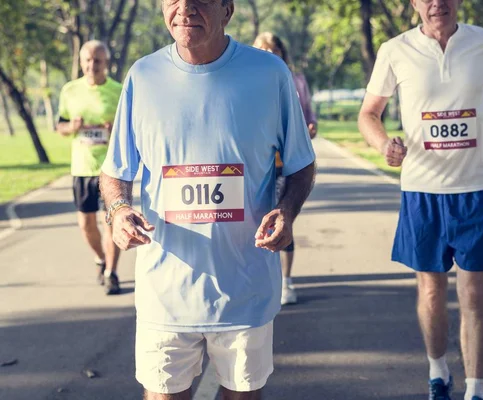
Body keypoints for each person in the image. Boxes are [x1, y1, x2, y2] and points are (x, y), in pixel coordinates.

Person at [99, 0, 316, 399]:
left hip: (245, 290)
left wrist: (287, 211)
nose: (185, 9)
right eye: (173, 0)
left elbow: (301, 164)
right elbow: (115, 170)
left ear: (227, 9)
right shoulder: (143, 76)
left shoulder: (269, 73)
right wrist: (118, 210)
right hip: (165, 291)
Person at [357, 1, 483, 399]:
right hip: (422, 190)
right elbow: (368, 114)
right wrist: (383, 145)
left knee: (473, 292)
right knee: (430, 290)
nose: (436, 4)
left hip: (475, 188)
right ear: (413, 3)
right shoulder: (395, 49)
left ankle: (476, 389)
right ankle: (438, 370)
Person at [253, 32, 318, 305]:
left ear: (282, 53)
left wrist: (310, 127)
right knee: (255, 220)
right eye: (262, 50)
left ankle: (286, 280)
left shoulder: (297, 81)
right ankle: (259, 280)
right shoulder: (248, 81)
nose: (269, 55)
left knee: (282, 217)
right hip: (257, 166)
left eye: (273, 50)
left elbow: (308, 115)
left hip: (287, 164)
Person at [56, 40, 123, 295]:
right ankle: (101, 258)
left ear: (106, 63)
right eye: (87, 60)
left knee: (111, 221)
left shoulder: (118, 90)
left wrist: (113, 128)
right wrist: (72, 127)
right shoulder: (70, 91)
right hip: (82, 168)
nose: (91, 65)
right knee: (86, 224)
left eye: (97, 61)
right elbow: (60, 126)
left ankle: (112, 273)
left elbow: (129, 128)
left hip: (110, 169)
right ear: (81, 62)